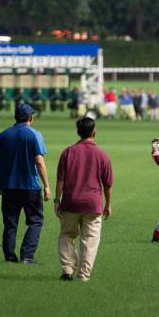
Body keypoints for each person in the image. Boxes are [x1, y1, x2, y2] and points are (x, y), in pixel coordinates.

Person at [0, 104, 51, 264]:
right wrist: (47, 185)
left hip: (8, 186)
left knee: (10, 223)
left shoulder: (4, 135)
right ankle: (27, 256)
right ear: (31, 117)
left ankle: (9, 257)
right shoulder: (34, 134)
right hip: (30, 186)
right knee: (36, 221)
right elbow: (39, 161)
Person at [55, 117, 113, 281]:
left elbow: (60, 180)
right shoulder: (101, 154)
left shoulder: (68, 152)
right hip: (93, 204)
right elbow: (107, 184)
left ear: (77, 132)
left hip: (70, 203)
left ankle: (67, 270)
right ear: (94, 131)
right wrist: (108, 205)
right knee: (90, 240)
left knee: (66, 235)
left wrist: (57, 200)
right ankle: (84, 274)